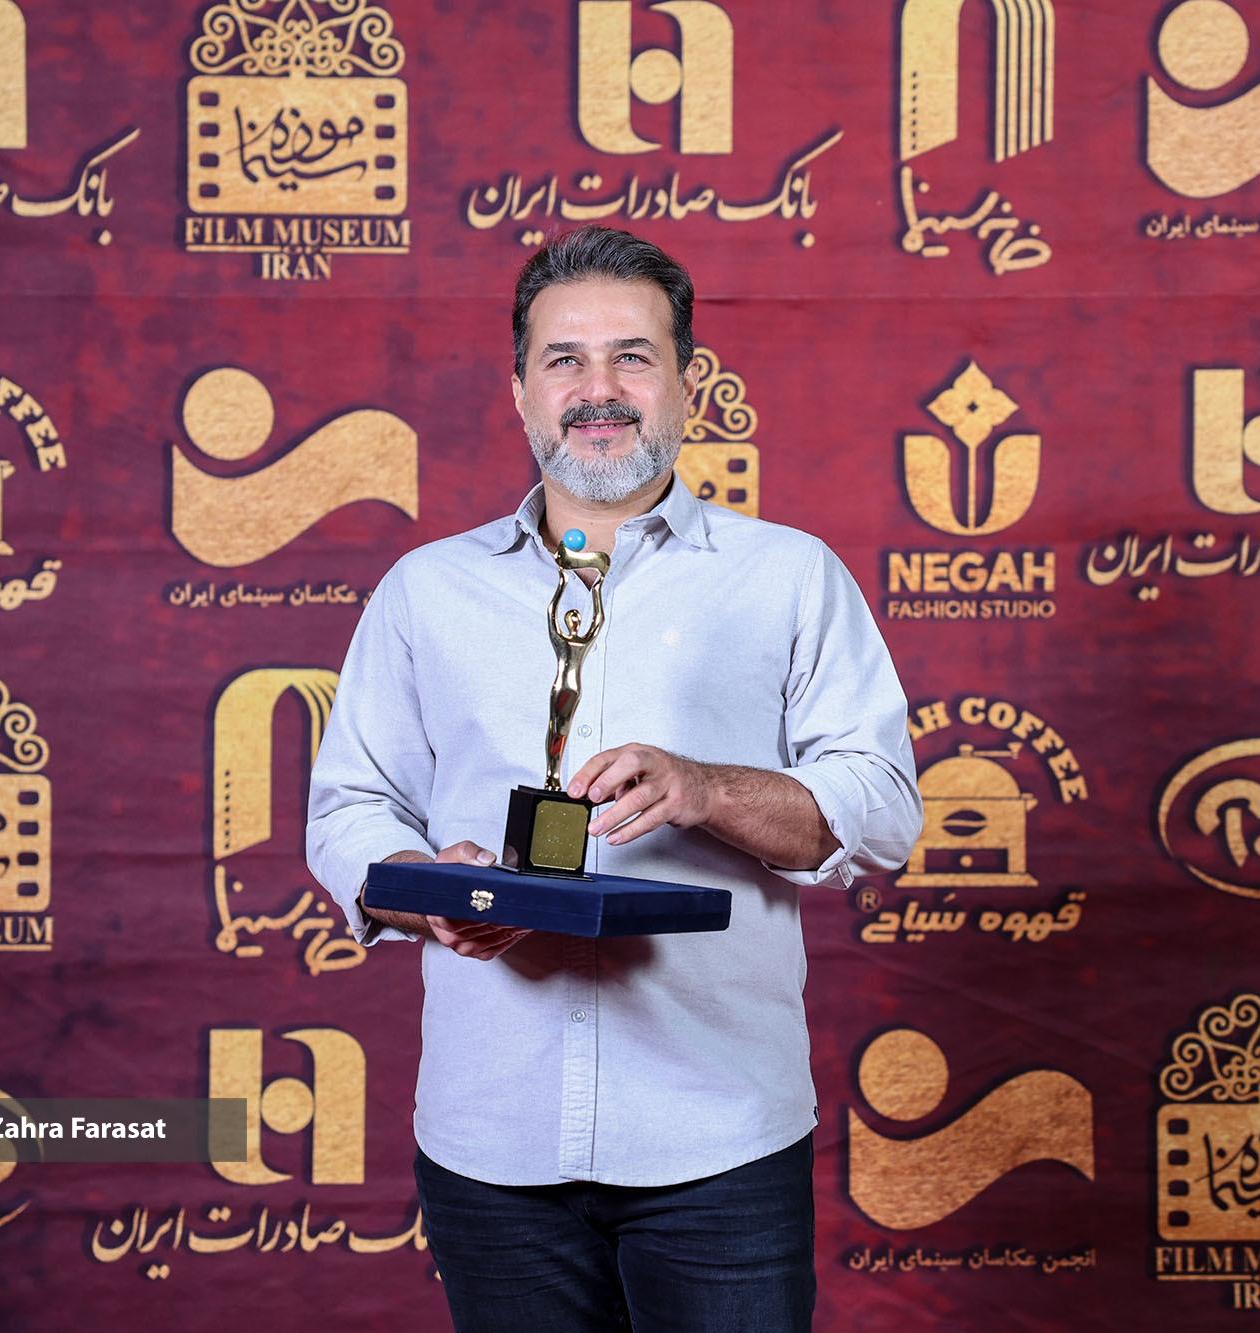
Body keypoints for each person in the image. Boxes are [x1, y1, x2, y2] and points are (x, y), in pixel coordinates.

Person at [306, 225, 921, 1332]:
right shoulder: (424, 590)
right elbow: (349, 806)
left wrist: (706, 788)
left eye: (633, 356)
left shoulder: (788, 576)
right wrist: (429, 888)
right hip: (491, 1141)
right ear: (519, 391)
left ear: (688, 381)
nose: (599, 390)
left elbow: (879, 808)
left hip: (719, 1135)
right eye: (565, 360)